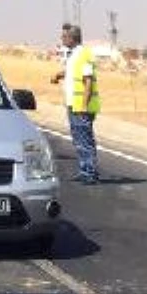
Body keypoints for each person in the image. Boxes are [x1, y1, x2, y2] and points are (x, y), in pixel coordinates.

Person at [50, 24, 101, 184]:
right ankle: (84, 169)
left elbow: (88, 81)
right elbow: (74, 72)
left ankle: (90, 172)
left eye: (64, 36)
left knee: (84, 139)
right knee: (78, 138)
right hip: (73, 103)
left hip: (82, 105)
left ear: (73, 38)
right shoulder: (72, 55)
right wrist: (60, 75)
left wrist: (85, 105)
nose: (62, 39)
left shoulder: (84, 54)